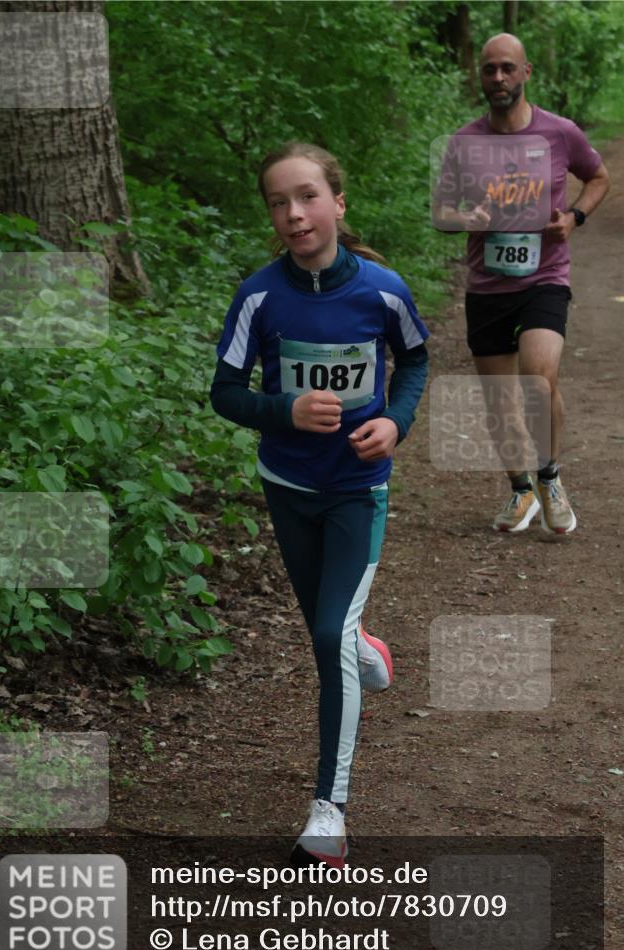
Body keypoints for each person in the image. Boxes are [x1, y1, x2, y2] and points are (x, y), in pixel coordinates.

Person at [210, 142, 429, 866]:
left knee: (328, 634)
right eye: (278, 201)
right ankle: (363, 646)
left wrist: (394, 421)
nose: (293, 213)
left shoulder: (381, 289)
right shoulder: (259, 295)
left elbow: (415, 359)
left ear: (337, 202)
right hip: (288, 488)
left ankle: (328, 808)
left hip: (356, 493)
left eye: (306, 196)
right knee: (327, 633)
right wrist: (283, 410)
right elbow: (225, 392)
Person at [434, 33, 609, 534]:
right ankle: (520, 489)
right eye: (489, 70)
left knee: (538, 378)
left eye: (508, 68)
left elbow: (598, 178)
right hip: (488, 285)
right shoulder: (463, 143)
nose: (498, 78)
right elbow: (443, 213)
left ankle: (549, 476)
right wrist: (469, 218)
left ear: (526, 72)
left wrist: (574, 217)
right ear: (480, 76)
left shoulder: (559, 133)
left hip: (544, 277)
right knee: (498, 400)